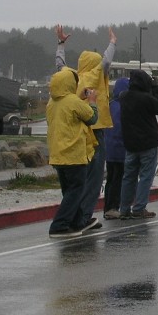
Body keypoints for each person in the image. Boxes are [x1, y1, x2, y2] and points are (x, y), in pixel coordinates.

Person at [55, 25, 116, 226]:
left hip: (78, 134)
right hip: (96, 129)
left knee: (78, 179)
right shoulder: (97, 74)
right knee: (94, 179)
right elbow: (106, 60)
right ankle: (84, 217)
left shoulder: (72, 78)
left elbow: (59, 66)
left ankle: (76, 215)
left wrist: (61, 44)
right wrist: (112, 43)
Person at [46, 67, 101, 237]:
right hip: (74, 154)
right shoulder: (73, 102)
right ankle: (59, 225)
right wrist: (92, 101)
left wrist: (79, 98)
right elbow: (92, 118)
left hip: (57, 155)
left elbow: (69, 108)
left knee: (69, 190)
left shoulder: (51, 103)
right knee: (76, 189)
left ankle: (78, 222)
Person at [118, 69, 158, 218]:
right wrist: (156, 87)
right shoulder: (146, 98)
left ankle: (124, 209)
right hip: (148, 142)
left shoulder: (123, 97)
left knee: (128, 177)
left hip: (130, 143)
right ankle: (139, 208)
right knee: (145, 176)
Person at [102, 77, 129, 219]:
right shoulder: (123, 107)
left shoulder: (110, 105)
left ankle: (108, 206)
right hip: (120, 149)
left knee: (111, 179)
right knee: (119, 179)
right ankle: (113, 207)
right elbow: (121, 129)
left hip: (109, 149)